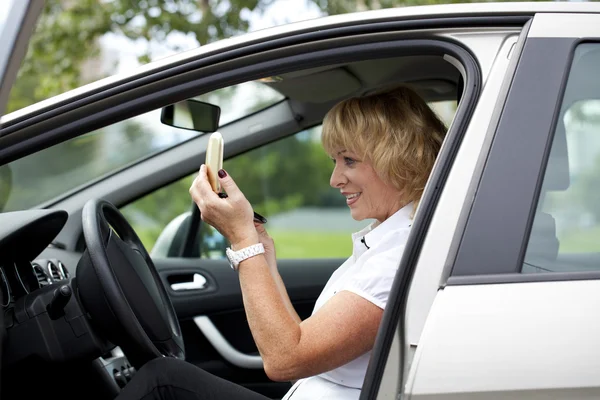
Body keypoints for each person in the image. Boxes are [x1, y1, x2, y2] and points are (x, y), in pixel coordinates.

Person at [115, 84, 447, 400]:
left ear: (398, 158)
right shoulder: (388, 244)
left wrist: (243, 239)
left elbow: (286, 359)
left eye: (349, 160)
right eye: (335, 161)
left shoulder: (397, 258)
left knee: (162, 382)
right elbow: (300, 345)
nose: (335, 179)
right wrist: (262, 253)